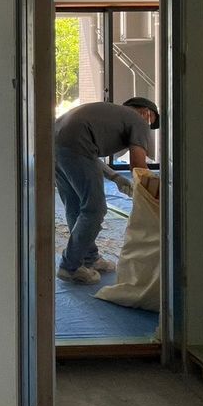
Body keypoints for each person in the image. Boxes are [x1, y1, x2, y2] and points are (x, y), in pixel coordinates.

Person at [54, 97, 159, 284]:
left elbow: (87, 154)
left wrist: (116, 177)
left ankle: (89, 258)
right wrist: (149, 196)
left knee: (75, 207)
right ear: (147, 113)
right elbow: (138, 165)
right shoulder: (139, 120)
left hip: (52, 144)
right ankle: (70, 266)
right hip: (76, 145)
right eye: (151, 122)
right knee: (94, 209)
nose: (148, 126)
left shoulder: (109, 114)